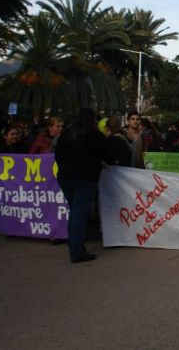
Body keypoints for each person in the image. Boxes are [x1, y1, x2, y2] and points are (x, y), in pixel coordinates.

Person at [54, 108, 109, 263]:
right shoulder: (94, 135)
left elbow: (57, 156)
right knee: (79, 213)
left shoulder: (66, 135)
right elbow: (107, 154)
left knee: (75, 211)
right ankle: (76, 250)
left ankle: (75, 244)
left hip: (65, 177)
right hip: (86, 178)